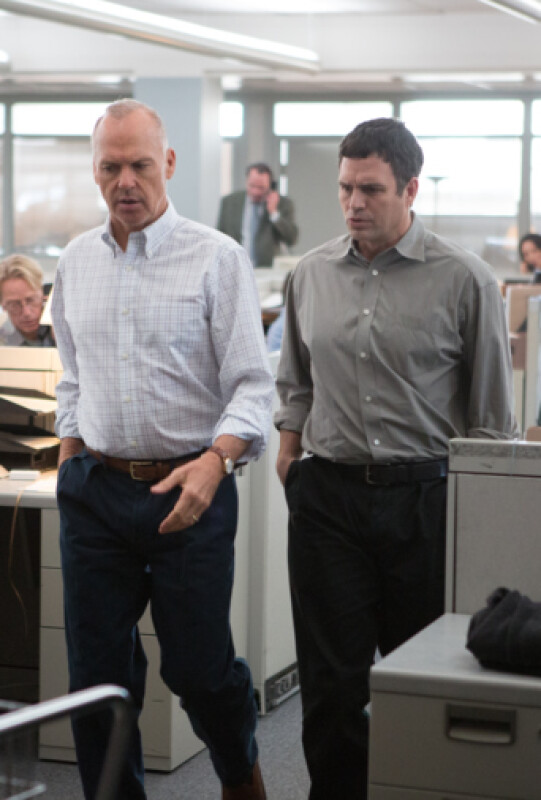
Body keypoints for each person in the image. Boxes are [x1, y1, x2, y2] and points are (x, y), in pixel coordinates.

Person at [274, 117, 518, 800]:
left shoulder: (465, 279)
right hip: (328, 500)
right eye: (345, 188)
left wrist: (475, 524)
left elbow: (490, 422)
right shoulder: (310, 273)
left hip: (425, 503)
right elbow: (294, 382)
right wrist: (290, 457)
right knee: (331, 685)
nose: (353, 203)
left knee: (425, 680)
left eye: (371, 190)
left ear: (410, 189)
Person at [51, 98, 274, 800]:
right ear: (94, 170)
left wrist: (216, 462)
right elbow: (72, 374)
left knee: (198, 668)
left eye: (140, 165)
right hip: (96, 491)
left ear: (168, 163)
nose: (125, 182)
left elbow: (252, 385)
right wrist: (69, 452)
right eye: (110, 167)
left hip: (191, 489)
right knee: (96, 678)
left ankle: (239, 773)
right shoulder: (76, 262)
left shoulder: (216, 257)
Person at [217, 163, 298, 267]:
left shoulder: (282, 204)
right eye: (252, 186)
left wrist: (274, 213)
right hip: (235, 266)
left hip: (266, 270)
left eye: (261, 187)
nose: (255, 192)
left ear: (271, 186)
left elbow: (292, 239)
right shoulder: (229, 202)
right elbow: (219, 236)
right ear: (246, 181)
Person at [0, 254, 54, 346]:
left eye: (31, 300)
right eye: (14, 304)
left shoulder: (61, 330)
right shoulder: (3, 342)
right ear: (2, 305)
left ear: (44, 294)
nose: (26, 313)